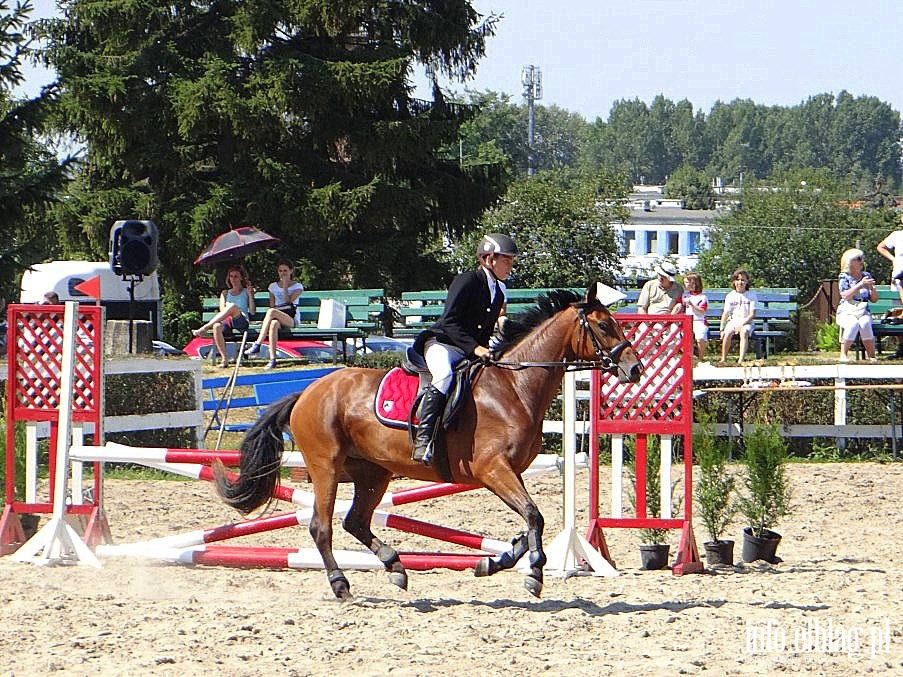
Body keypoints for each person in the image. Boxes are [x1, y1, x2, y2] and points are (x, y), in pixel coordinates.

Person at [410, 233, 519, 465]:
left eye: (511, 261)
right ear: (489, 259)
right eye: (506, 260)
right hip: (443, 344)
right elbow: (449, 321)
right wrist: (476, 348)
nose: (510, 265)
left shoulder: (498, 292)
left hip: (469, 350)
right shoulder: (467, 280)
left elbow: (486, 331)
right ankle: (423, 440)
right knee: (444, 376)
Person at [244, 260, 304, 370]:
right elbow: (272, 306)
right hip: (276, 317)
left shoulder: (298, 286)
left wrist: (285, 287)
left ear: (291, 271)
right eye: (280, 271)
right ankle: (272, 359)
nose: (283, 273)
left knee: (272, 312)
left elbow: (288, 303)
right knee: (273, 324)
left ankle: (257, 344)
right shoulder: (273, 286)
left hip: (291, 318)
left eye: (285, 270)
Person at [192, 265, 255, 368]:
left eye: (236, 276)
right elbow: (222, 311)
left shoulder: (246, 292)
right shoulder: (225, 293)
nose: (233, 279)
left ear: (241, 278)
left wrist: (250, 295)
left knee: (232, 306)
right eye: (231, 276)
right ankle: (224, 359)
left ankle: (205, 327)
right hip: (228, 321)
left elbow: (252, 312)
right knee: (217, 326)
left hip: (241, 321)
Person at [836, 248, 878, 363]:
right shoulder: (844, 277)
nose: (861, 262)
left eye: (862, 259)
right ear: (850, 261)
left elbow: (874, 299)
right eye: (858, 259)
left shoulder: (866, 275)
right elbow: (845, 296)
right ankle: (843, 354)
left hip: (863, 310)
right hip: (847, 310)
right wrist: (860, 285)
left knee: (865, 323)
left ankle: (872, 356)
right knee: (853, 324)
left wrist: (871, 288)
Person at [875, 212, 903, 358]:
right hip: (898, 277)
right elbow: (881, 247)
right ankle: (901, 347)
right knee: (897, 310)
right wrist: (893, 259)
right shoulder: (897, 236)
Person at [719, 269, 757, 364]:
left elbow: (752, 314)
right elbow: (726, 313)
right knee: (727, 333)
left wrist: (742, 324)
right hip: (733, 322)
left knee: (744, 332)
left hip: (747, 322)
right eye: (738, 280)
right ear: (734, 281)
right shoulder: (730, 296)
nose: (740, 282)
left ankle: (741, 360)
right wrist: (722, 328)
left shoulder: (751, 295)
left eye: (743, 280)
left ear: (747, 281)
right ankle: (723, 358)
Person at [680, 272, 709, 363]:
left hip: (699, 320)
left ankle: (700, 358)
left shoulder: (703, 297)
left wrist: (692, 304)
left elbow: (702, 311)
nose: (685, 284)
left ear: (694, 283)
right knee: (681, 336)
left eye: (687, 282)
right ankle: (689, 357)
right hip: (687, 320)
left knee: (700, 337)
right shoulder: (685, 295)